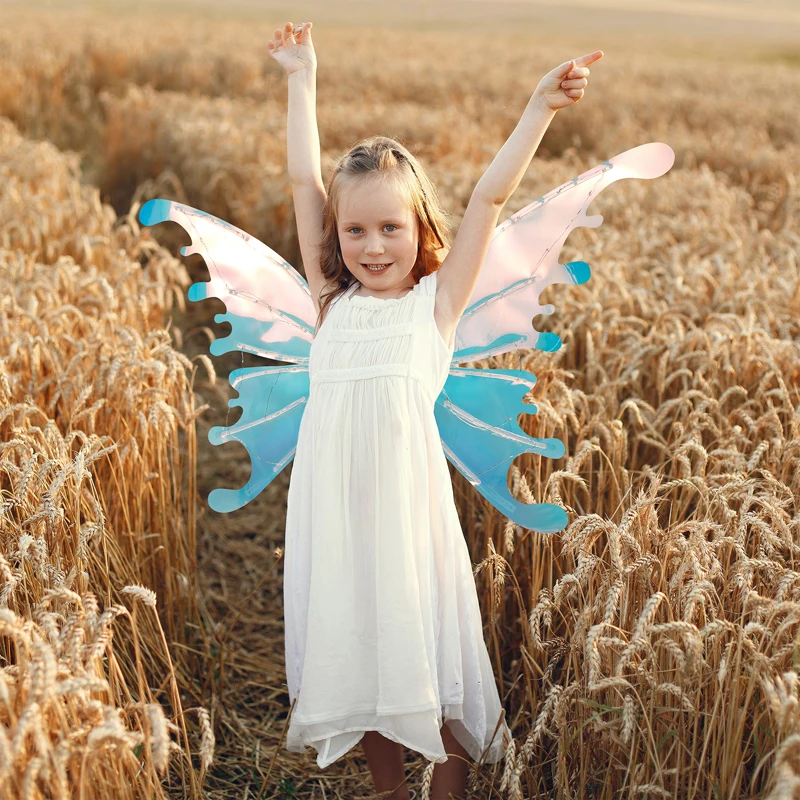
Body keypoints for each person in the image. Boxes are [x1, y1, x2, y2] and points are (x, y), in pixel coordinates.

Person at [267, 20, 602, 800]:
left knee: (425, 658)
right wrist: (300, 78)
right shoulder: (329, 304)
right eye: (355, 230)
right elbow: (302, 186)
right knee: (362, 657)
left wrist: (539, 109)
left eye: (391, 228)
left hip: (406, 519)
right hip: (337, 517)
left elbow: (490, 194)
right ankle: (388, 792)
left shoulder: (435, 307)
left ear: (421, 233)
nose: (372, 246)